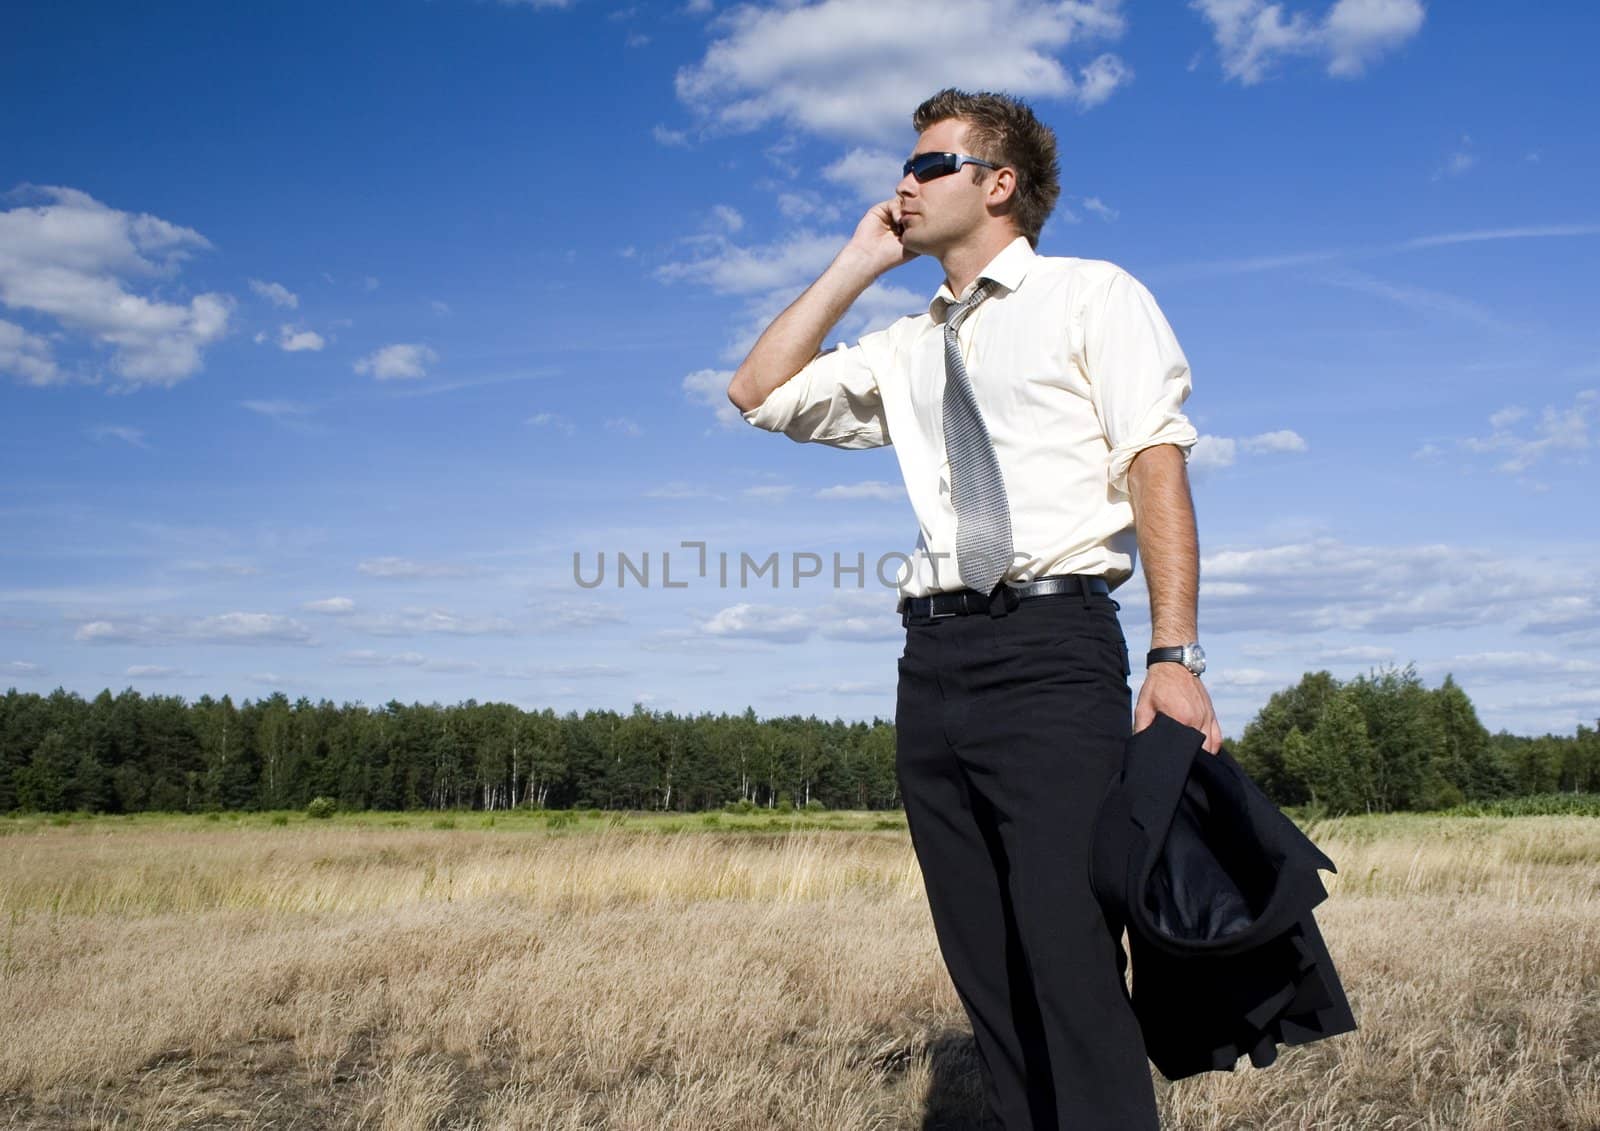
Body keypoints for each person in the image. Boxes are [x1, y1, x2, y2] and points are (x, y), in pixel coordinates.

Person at [727, 88, 1222, 1130]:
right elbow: (759, 392)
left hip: (1050, 644)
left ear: (997, 185)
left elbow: (1155, 466)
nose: (902, 182)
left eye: (929, 164)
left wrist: (1173, 653)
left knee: (1066, 947)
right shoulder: (905, 347)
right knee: (985, 962)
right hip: (933, 662)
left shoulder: (1092, 296)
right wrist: (860, 263)